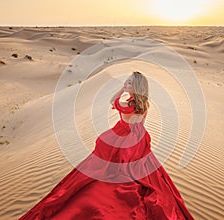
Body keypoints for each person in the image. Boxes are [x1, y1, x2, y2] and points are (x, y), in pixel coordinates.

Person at [19, 71, 194, 220]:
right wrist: (127, 89)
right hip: (139, 138)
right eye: (127, 81)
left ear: (136, 87)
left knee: (111, 168)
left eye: (130, 82)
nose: (126, 83)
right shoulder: (143, 104)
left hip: (124, 137)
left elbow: (113, 101)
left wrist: (121, 90)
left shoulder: (126, 104)